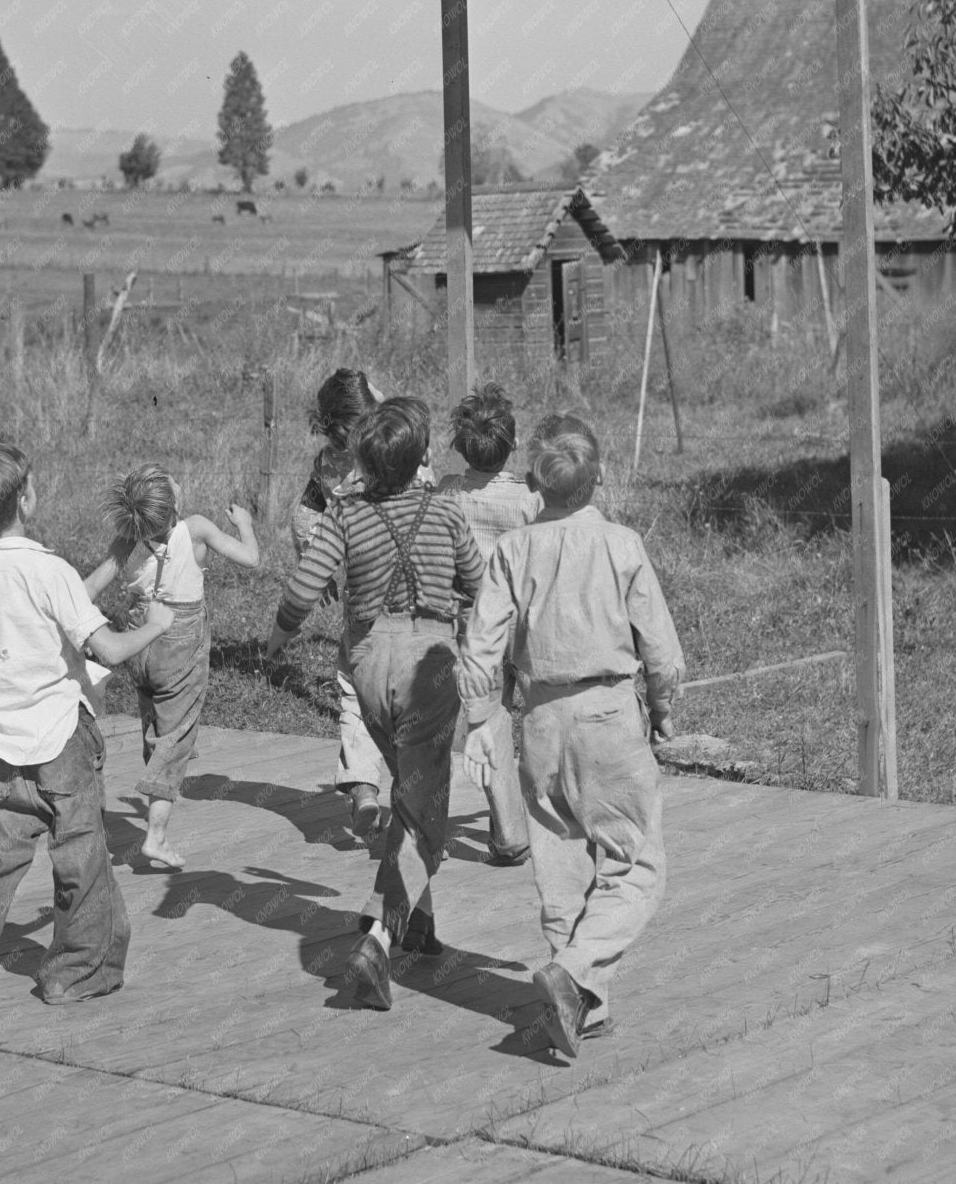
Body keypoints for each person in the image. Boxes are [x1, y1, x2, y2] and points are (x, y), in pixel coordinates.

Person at [0, 443, 174, 1026]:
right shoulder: (49, 570)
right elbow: (106, 646)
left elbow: (48, 606)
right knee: (82, 858)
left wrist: (112, 562)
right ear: (26, 495)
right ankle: (77, 974)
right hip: (61, 744)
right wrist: (158, 623)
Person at [458, 412, 684, 1060]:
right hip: (609, 715)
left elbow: (480, 650)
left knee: (559, 863)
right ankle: (579, 970)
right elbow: (662, 654)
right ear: (601, 478)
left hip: (541, 723)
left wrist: (479, 724)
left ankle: (586, 1005)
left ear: (534, 483)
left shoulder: (511, 552)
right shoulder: (622, 545)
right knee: (635, 866)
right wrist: (664, 713)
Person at [265, 397, 483, 1011]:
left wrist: (279, 636)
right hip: (429, 667)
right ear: (421, 461)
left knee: (409, 795)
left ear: (362, 461)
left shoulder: (344, 516)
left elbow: (306, 587)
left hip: (369, 665)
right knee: (423, 808)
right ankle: (380, 941)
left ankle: (420, 922)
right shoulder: (445, 511)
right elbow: (482, 583)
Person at [84, 465, 259, 869]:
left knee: (155, 725)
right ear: (174, 503)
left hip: (139, 639)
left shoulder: (128, 539)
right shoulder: (195, 528)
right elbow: (250, 559)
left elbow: (89, 589)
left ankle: (156, 774)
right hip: (181, 639)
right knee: (176, 735)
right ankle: (156, 837)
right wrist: (245, 525)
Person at [438, 382, 542, 869]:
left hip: (471, 622)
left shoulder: (447, 494)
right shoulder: (530, 500)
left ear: (460, 447)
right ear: (514, 444)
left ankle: (509, 834)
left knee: (490, 720)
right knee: (542, 713)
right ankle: (556, 812)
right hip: (524, 621)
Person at [291, 367, 387, 836]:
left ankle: (364, 785)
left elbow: (304, 513)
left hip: (365, 598)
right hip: (408, 596)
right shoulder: (394, 447)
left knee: (357, 692)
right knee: (381, 695)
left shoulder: (327, 463)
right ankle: (403, 805)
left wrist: (315, 557)